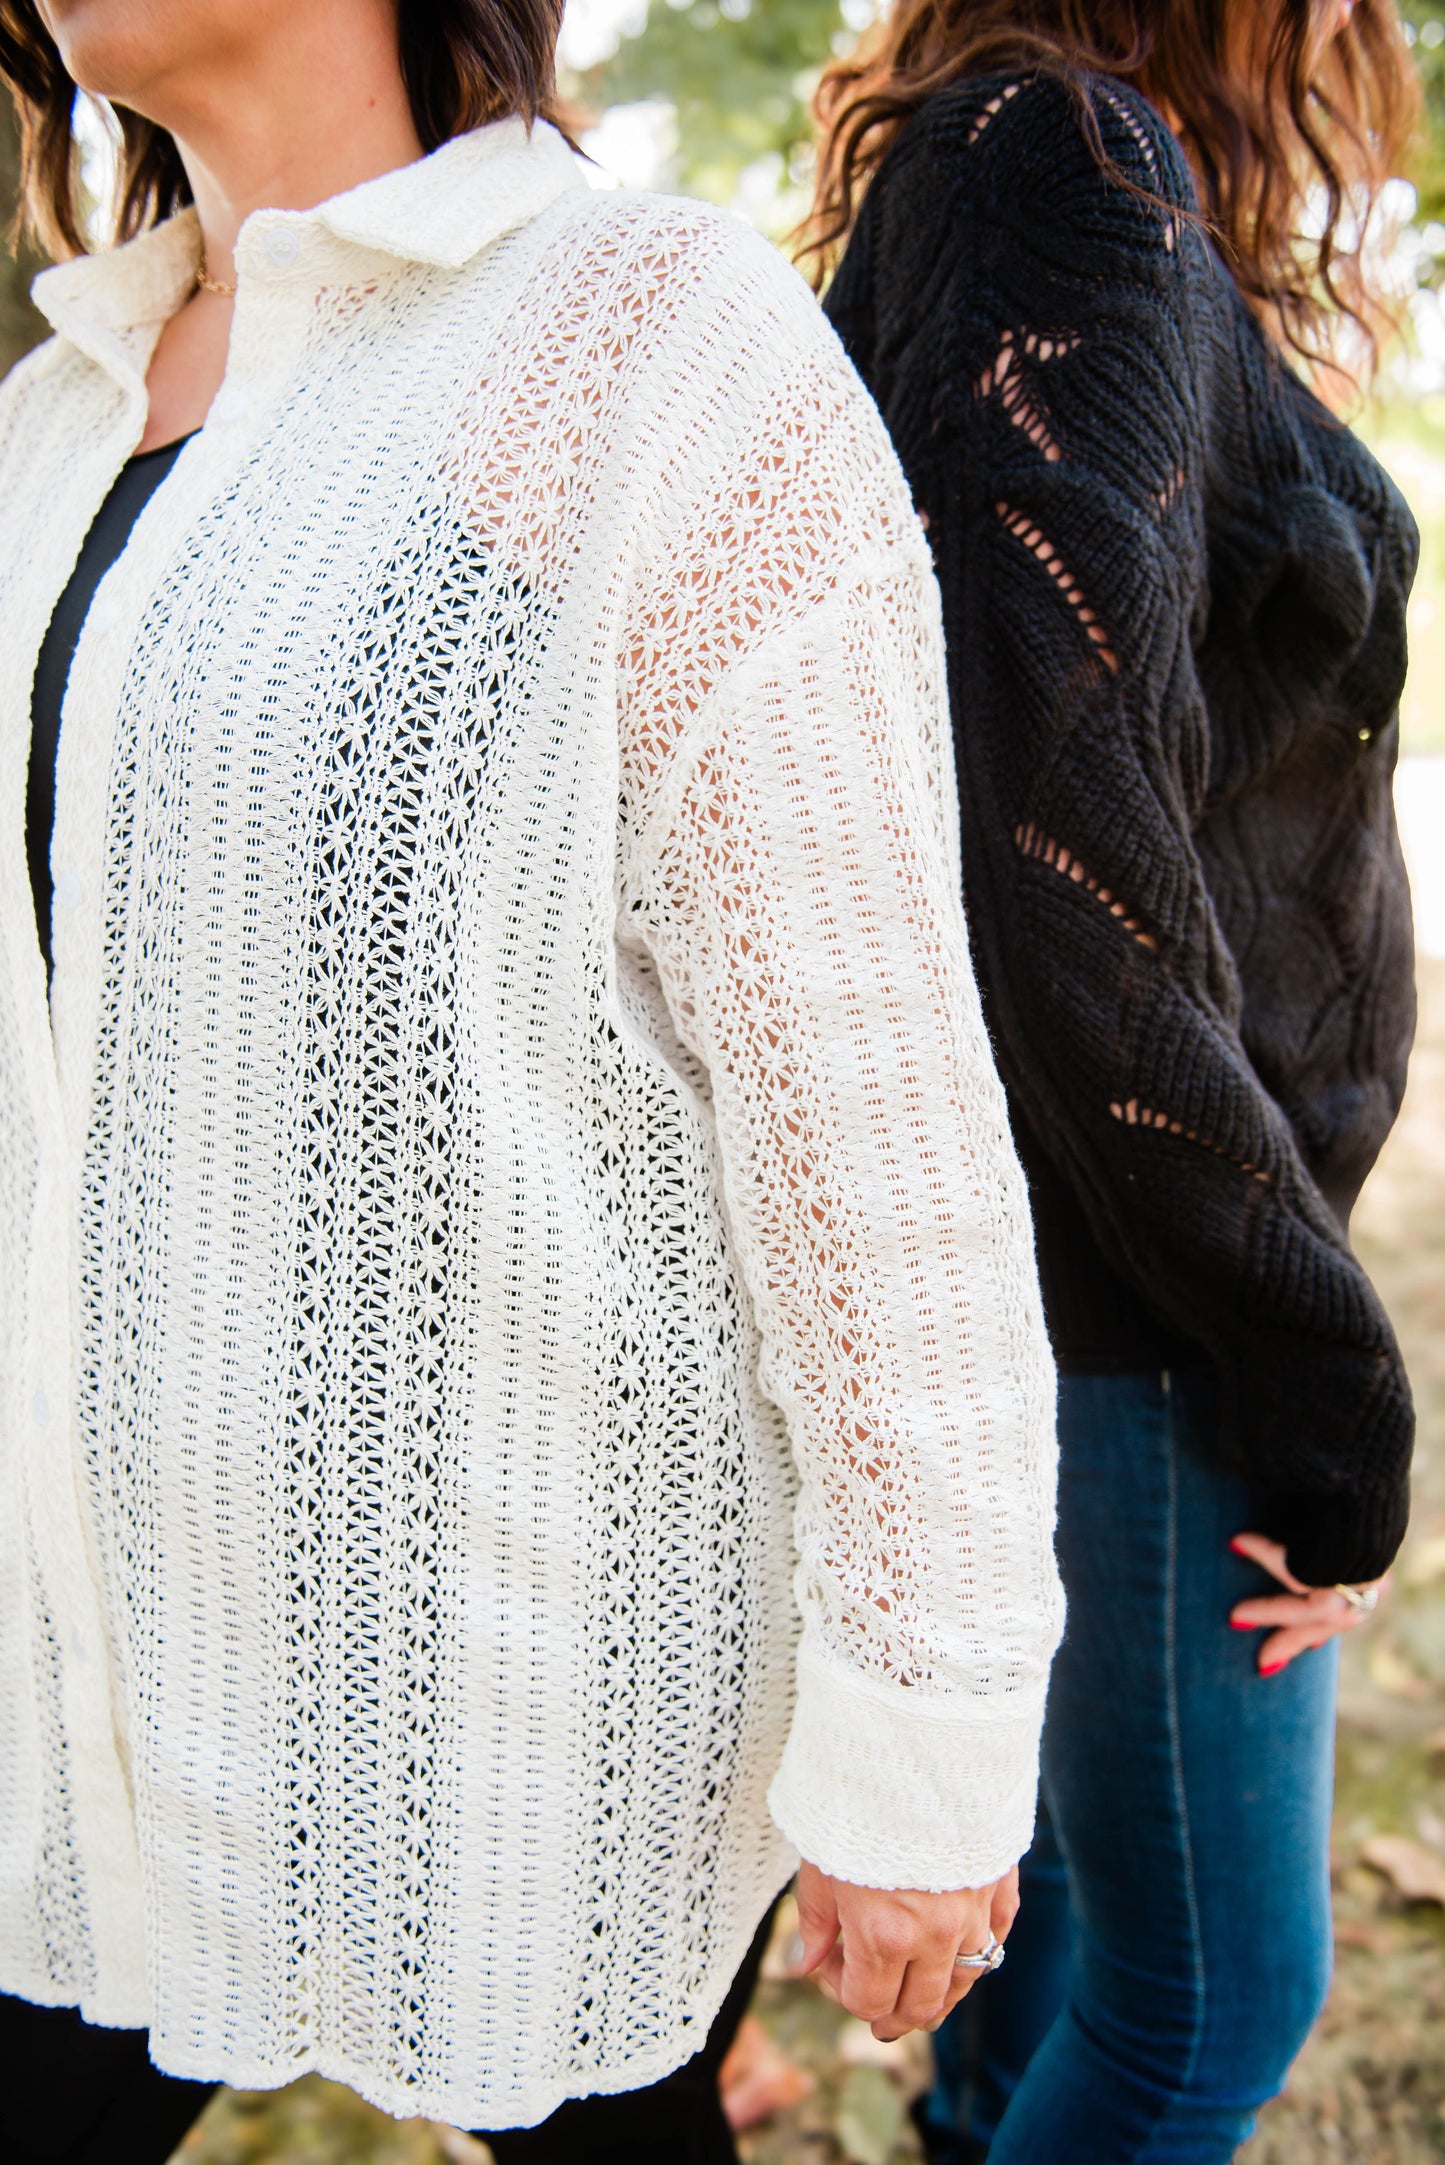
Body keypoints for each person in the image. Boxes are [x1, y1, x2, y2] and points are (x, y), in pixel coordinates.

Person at [0, 1, 1067, 2159]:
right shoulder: (50, 411)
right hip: (79, 1662)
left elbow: (873, 1109)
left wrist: (927, 1727)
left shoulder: (644, 339)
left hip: (526, 1660)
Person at [806, 0, 1419, 2157]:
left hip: (1071, 1284)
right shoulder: (1070, 169)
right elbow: (1058, 847)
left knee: (1055, 1950)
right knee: (1204, 2007)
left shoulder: (1019, 172)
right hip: (1136, 1305)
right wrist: (1322, 1377)